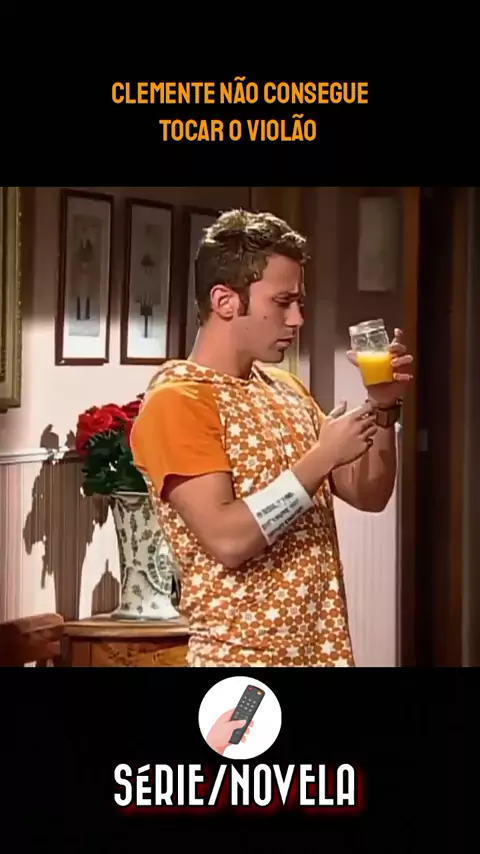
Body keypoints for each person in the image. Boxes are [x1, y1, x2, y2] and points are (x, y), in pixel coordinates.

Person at [130, 208, 414, 667]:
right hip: (241, 666)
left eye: (299, 302)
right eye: (283, 302)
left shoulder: (287, 389)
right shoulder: (178, 401)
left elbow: (369, 493)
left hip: (321, 654)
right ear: (225, 301)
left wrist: (382, 407)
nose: (297, 318)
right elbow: (228, 539)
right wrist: (320, 458)